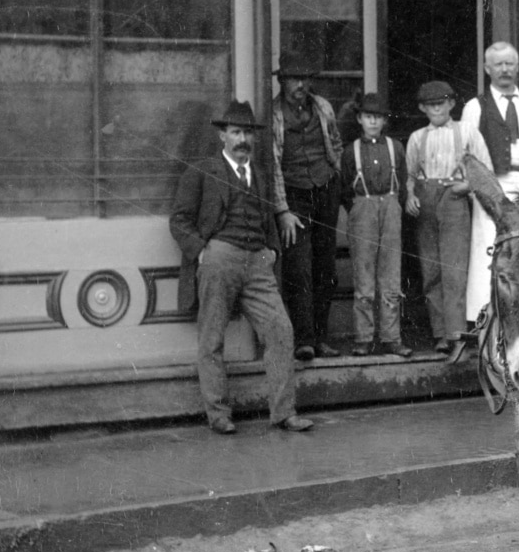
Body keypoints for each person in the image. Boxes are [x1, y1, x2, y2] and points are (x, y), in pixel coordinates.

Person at [169, 99, 313, 435]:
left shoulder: (258, 175)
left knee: (280, 330)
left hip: (258, 262)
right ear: (223, 136)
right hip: (219, 258)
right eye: (235, 132)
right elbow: (179, 221)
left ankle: (283, 412)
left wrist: (273, 251)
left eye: (247, 132)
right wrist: (203, 252)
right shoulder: (202, 171)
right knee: (212, 337)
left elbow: (269, 219)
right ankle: (218, 414)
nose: (242, 139)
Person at [461, 42, 519, 321]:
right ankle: (483, 316)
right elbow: (466, 155)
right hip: (493, 187)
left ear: (518, 66)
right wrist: (476, 189)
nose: (504, 70)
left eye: (509, 64)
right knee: (489, 246)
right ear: (487, 69)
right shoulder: (475, 106)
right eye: (498, 64)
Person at [405, 81, 493, 354]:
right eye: (431, 105)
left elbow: (485, 170)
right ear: (422, 108)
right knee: (431, 270)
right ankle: (440, 333)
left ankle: (456, 334)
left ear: (452, 104)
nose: (437, 109)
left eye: (441, 103)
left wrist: (466, 187)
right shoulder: (417, 138)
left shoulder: (467, 131)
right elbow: (410, 176)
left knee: (454, 270)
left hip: (454, 199)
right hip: (426, 200)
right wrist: (410, 196)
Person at [271, 55, 343, 362]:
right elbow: (272, 163)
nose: (300, 85)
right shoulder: (274, 114)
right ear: (282, 81)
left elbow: (336, 143)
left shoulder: (322, 106)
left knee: (325, 267)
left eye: (304, 79)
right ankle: (304, 340)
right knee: (299, 267)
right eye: (293, 79)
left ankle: (321, 337)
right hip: (294, 196)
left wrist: (336, 174)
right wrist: (282, 210)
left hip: (325, 189)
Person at [340, 93, 410, 358]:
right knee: (364, 278)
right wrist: (361, 209)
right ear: (359, 119)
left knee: (391, 275)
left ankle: (392, 337)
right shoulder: (351, 152)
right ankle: (363, 338)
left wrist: (391, 206)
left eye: (378, 117)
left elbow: (402, 183)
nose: (373, 121)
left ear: (384, 121)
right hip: (363, 208)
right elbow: (346, 190)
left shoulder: (396, 148)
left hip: (391, 207)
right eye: (368, 117)